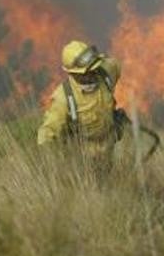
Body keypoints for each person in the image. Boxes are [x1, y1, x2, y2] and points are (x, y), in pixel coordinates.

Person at [37, 40, 125, 172]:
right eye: (84, 73)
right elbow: (47, 134)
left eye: (93, 69)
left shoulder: (106, 72)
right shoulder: (64, 98)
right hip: (82, 164)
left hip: (110, 153)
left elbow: (115, 64)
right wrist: (53, 167)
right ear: (72, 73)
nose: (90, 75)